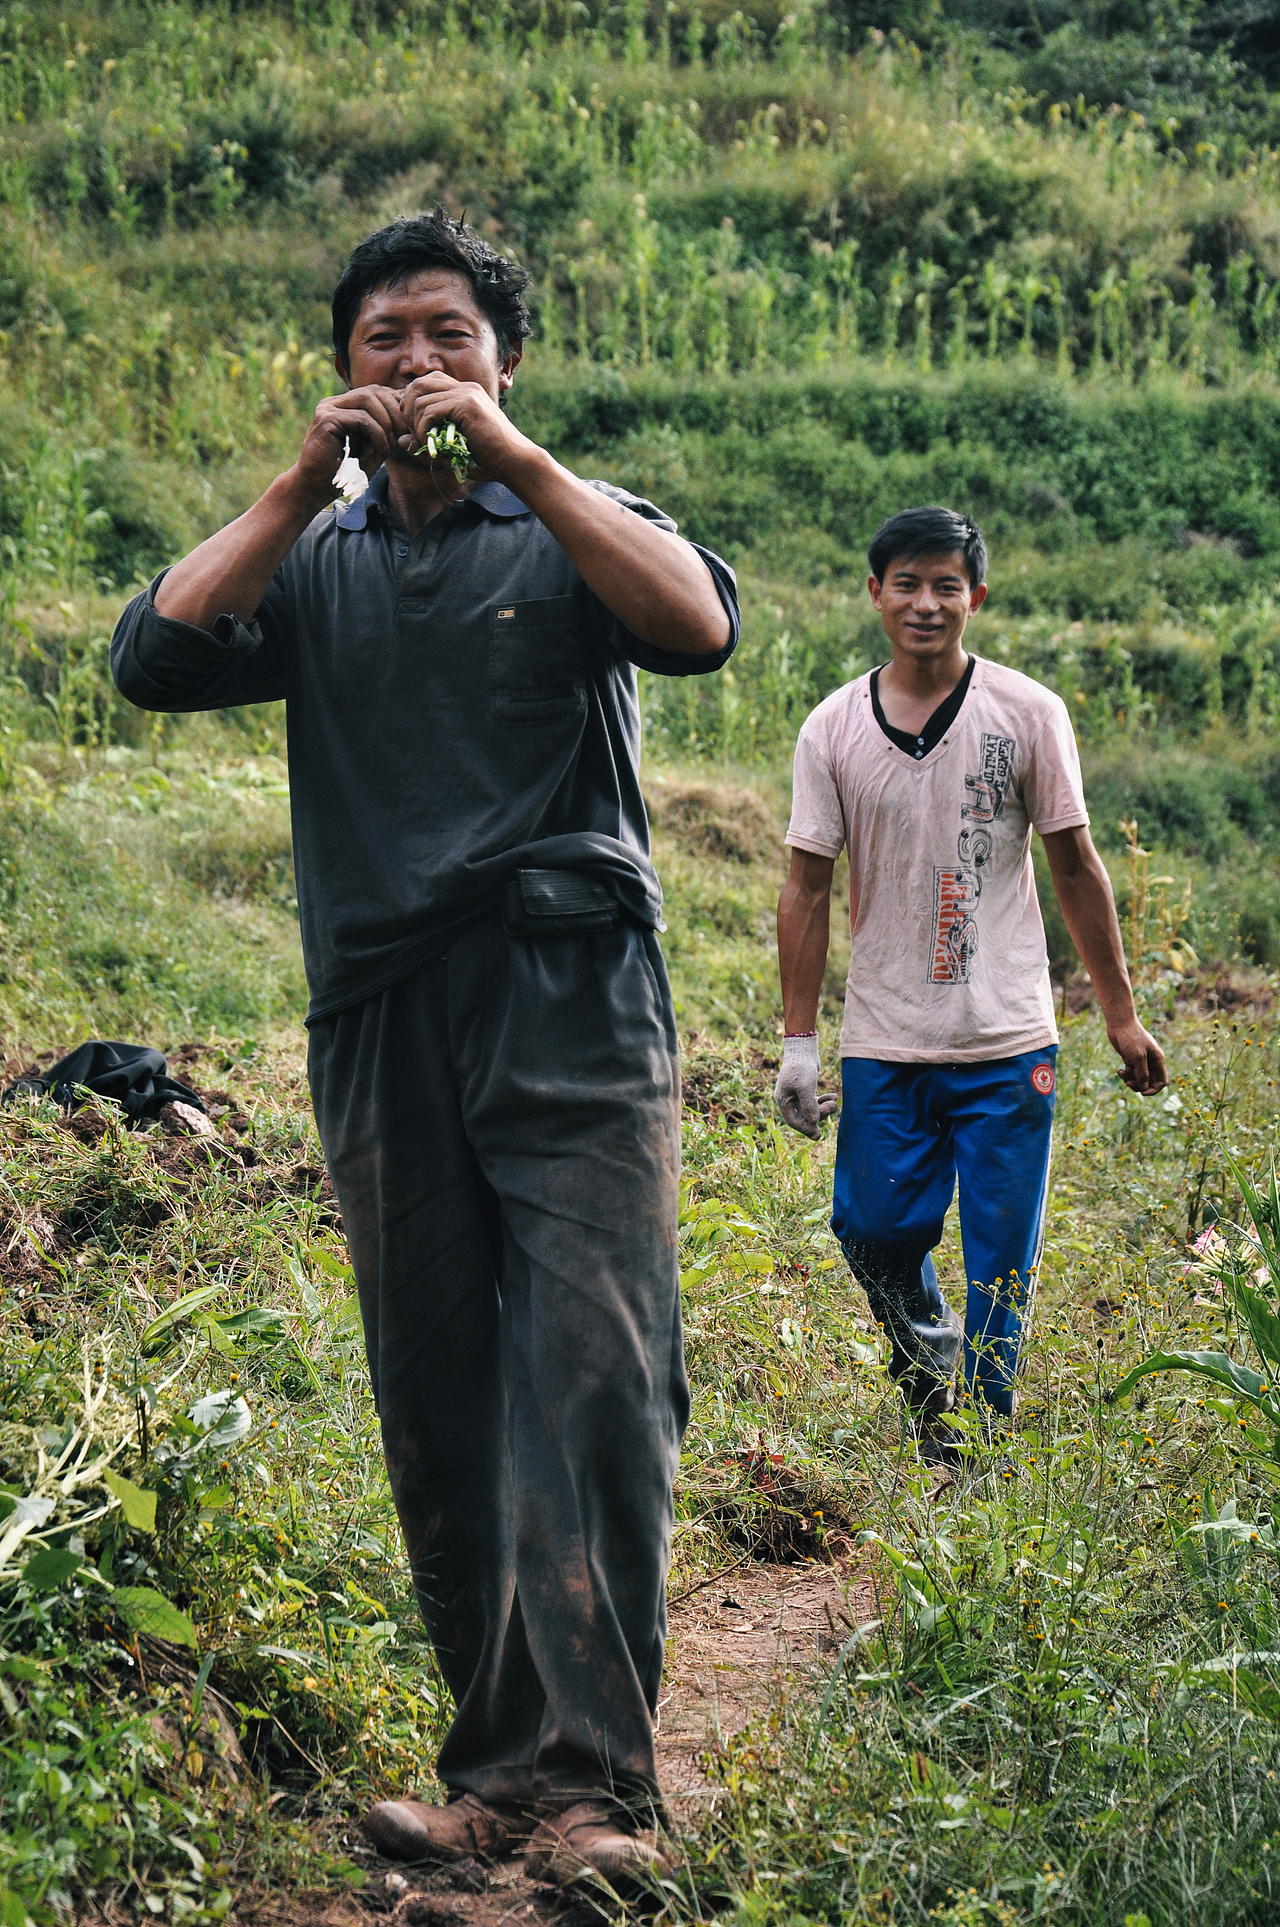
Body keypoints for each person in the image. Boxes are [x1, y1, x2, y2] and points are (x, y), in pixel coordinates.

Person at [111, 211, 739, 1884]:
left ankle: (602, 1793)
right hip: (384, 1010)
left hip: (571, 996)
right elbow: (153, 654)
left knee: (593, 1374)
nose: (416, 367)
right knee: (442, 1391)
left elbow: (695, 626)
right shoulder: (310, 561)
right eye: (383, 341)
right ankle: (499, 1774)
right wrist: (290, 489)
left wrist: (522, 460)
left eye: (449, 337)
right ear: (340, 376)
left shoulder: (574, 529)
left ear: (505, 361)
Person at [773, 505, 1165, 1440]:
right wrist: (798, 1044)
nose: (925, 602)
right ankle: (930, 1379)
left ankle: (978, 1440)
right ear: (874, 594)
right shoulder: (832, 728)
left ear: (975, 597)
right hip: (886, 1037)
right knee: (869, 1229)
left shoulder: (1028, 714)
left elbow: (1074, 864)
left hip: (1007, 1036)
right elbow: (806, 887)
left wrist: (1120, 1014)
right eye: (905, 582)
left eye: (946, 584)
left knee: (1000, 1259)